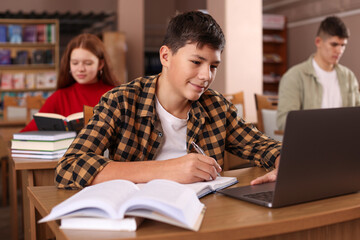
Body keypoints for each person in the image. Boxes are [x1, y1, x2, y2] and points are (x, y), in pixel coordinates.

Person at [55, 11, 281, 189]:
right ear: (165, 56)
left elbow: (264, 146)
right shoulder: (121, 101)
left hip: (205, 215)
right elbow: (69, 167)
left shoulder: (217, 107)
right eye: (196, 62)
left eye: (213, 66)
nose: (206, 76)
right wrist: (165, 170)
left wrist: (283, 163)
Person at [21, 33, 118, 132]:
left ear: (100, 64)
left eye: (88, 63)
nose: (80, 69)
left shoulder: (116, 95)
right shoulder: (59, 97)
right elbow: (26, 133)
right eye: (75, 63)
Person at [277, 16, 360, 131]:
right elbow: (283, 122)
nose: (339, 51)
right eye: (334, 44)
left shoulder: (349, 77)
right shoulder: (294, 76)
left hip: (344, 143)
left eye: (343, 45)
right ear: (318, 42)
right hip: (310, 143)